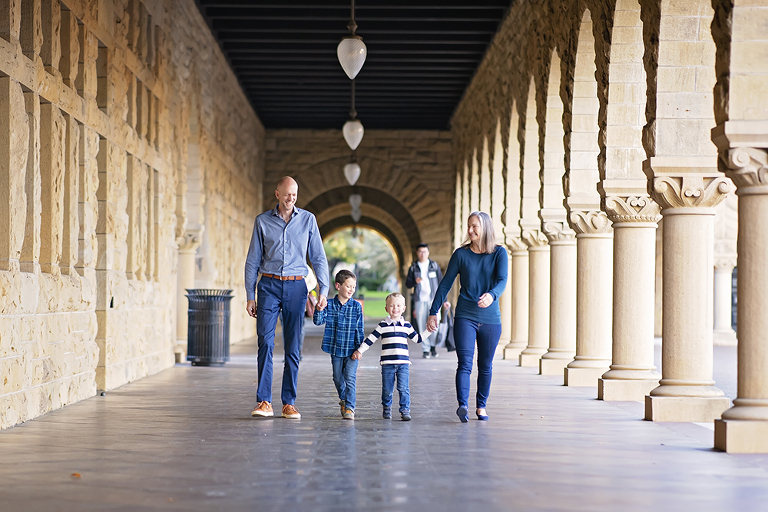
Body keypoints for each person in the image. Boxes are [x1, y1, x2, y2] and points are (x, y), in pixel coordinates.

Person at [245, 176, 329, 420]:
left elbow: (318, 256)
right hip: (269, 285)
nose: (291, 198)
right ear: (277, 194)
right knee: (265, 341)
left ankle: (289, 403)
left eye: (295, 194)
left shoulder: (308, 220)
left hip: (296, 287)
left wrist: (323, 290)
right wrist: (250, 295)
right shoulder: (262, 222)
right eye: (287, 194)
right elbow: (252, 260)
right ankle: (264, 401)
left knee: (293, 345)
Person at [427, 211, 507, 423]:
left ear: (485, 228)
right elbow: (445, 284)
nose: (470, 230)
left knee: (486, 365)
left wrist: (492, 295)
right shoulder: (460, 255)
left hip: (491, 318)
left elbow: (502, 280)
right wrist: (433, 311)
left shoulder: (499, 253)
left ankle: (481, 406)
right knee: (464, 363)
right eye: (469, 226)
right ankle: (463, 405)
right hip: (465, 316)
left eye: (475, 227)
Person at [354, 293, 422, 421]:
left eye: (398, 305)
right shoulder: (383, 325)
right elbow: (371, 339)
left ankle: (405, 409)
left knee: (403, 388)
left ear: (403, 308)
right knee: (387, 389)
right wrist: (360, 351)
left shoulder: (406, 325)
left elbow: (417, 339)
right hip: (387, 364)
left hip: (403, 364)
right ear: (386, 309)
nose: (395, 308)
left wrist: (430, 330)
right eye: (391, 305)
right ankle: (387, 407)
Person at [313, 269, 365, 420]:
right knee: (337, 378)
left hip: (351, 350)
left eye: (354, 287)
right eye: (348, 286)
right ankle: (343, 399)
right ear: (338, 286)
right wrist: (318, 310)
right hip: (335, 348)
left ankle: (349, 407)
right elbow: (318, 321)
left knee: (350, 377)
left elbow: (359, 329)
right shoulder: (328, 304)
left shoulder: (356, 306)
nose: (351, 290)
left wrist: (360, 349)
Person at [405, 243, 447, 359]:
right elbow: (408, 284)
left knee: (435, 323)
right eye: (420, 252)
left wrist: (445, 301)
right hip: (419, 300)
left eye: (424, 252)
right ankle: (426, 349)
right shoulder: (413, 267)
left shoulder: (434, 265)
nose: (422, 254)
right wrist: (414, 281)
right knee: (422, 324)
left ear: (428, 253)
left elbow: (442, 284)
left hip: (434, 299)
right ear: (417, 253)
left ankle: (433, 346)